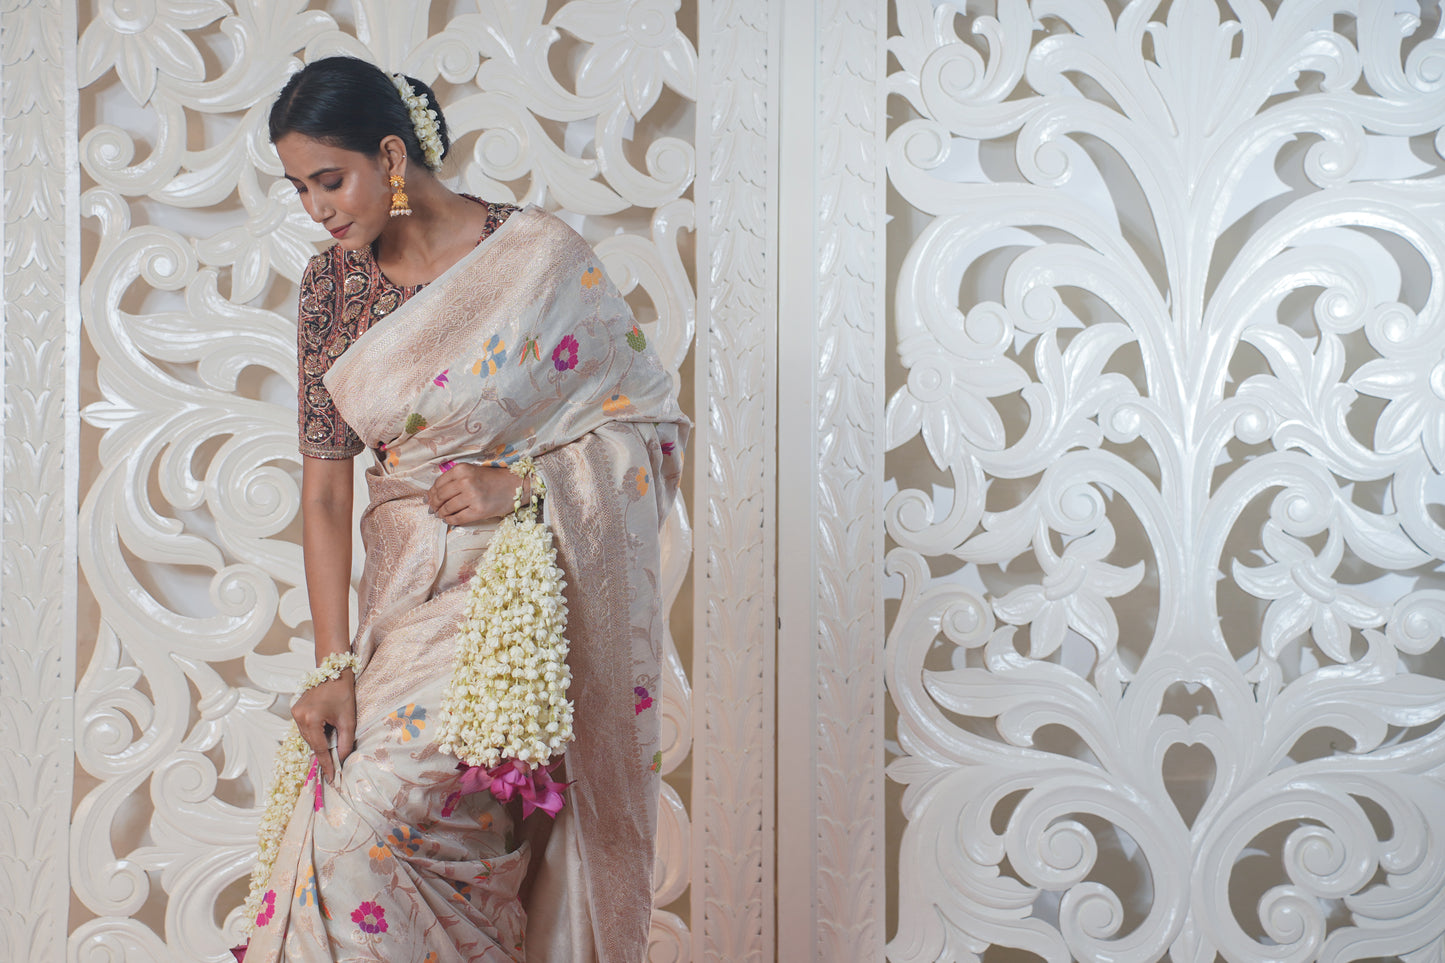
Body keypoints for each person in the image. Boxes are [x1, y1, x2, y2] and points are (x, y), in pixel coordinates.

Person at [239, 55, 688, 963]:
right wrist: (332, 663)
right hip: (404, 600)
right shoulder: (330, 289)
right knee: (349, 835)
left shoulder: (537, 259)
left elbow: (649, 429)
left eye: (331, 179)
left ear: (393, 155)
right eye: (299, 188)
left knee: (379, 828)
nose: (317, 209)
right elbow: (326, 489)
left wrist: (524, 487)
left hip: (519, 597)